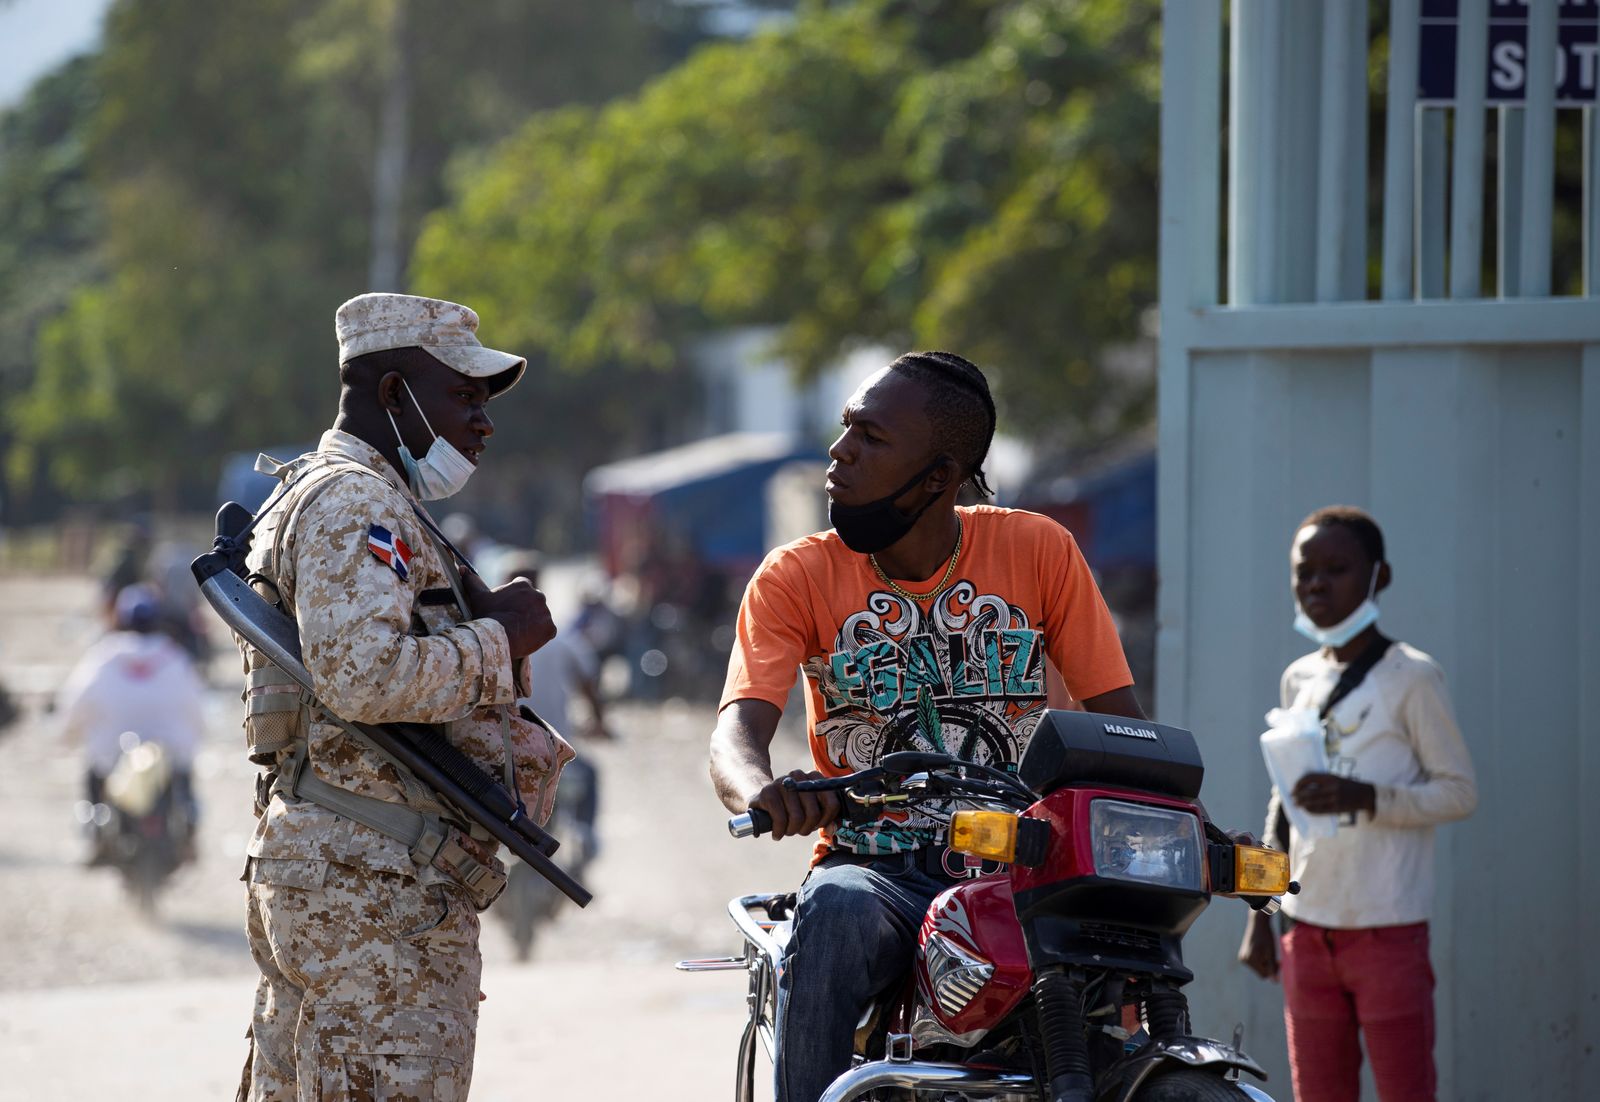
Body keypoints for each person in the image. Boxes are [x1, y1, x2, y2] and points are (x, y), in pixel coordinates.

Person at [708, 351, 1145, 1102]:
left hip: (1024, 867)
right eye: (847, 428)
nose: (840, 451)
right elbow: (735, 734)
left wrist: (1185, 819)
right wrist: (764, 790)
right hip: (878, 871)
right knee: (835, 909)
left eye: (871, 437)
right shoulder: (795, 576)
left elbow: (1122, 727)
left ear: (939, 476)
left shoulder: (1039, 549)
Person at [232, 292, 573, 1100]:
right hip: (373, 889)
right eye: (464, 396)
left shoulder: (337, 494)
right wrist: (503, 640)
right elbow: (363, 676)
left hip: (351, 875)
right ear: (393, 393)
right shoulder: (356, 502)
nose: (483, 423)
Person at [1237, 505, 1477, 1102]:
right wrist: (1262, 916)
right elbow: (1284, 803)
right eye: (1305, 572)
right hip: (1306, 930)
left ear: (1379, 576)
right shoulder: (1299, 678)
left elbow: (1459, 791)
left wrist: (1367, 797)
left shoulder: (1412, 677)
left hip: (1387, 933)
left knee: (1404, 1091)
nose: (1316, 585)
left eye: (1337, 569)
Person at [57, 583, 206, 861]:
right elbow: (196, 708)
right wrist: (192, 739)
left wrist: (67, 735)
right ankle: (189, 836)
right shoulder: (174, 656)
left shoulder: (103, 656)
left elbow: (75, 703)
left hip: (112, 755)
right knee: (184, 782)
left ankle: (95, 834)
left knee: (93, 779)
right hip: (168, 754)